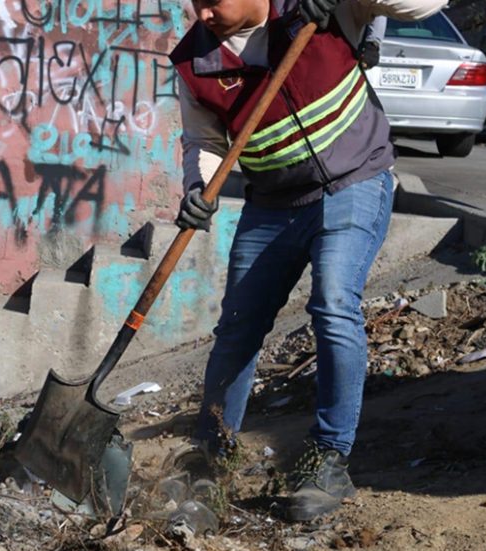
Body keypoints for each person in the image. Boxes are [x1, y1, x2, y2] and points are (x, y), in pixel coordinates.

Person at [168, 0, 444, 521]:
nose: (202, 13)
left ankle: (327, 460)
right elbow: (203, 140)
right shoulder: (194, 61)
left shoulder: (318, 10)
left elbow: (423, 5)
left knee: (334, 304)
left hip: (354, 181)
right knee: (237, 328)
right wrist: (199, 187)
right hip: (270, 205)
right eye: (195, 1)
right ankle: (210, 460)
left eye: (212, 0)